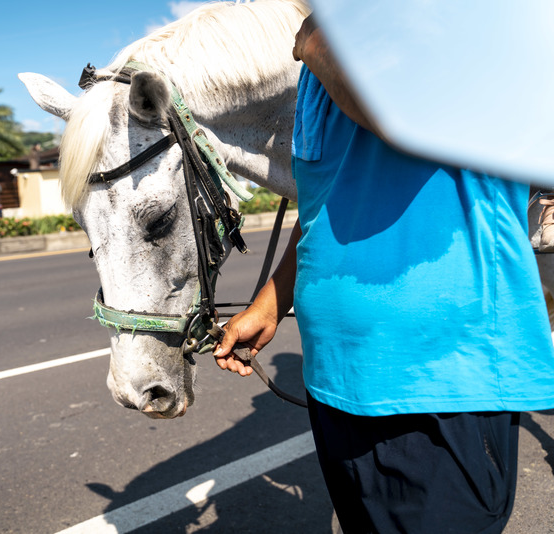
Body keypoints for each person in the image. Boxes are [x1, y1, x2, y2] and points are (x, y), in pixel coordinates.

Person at [213, 14, 554, 534]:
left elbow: (402, 118)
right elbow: (323, 207)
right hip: (337, 382)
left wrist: (317, 39)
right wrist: (269, 304)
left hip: (443, 379)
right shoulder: (321, 65)